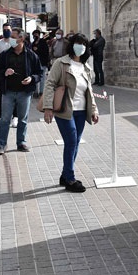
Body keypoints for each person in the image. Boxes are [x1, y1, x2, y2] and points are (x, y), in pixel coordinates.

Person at [43, 33, 99, 193]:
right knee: (72, 142)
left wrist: (94, 110)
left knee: (75, 143)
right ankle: (70, 178)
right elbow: (50, 84)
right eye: (77, 43)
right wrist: (48, 107)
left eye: (84, 44)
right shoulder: (61, 63)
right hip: (65, 110)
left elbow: (89, 91)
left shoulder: (85, 67)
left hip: (81, 111)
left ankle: (65, 175)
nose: (80, 47)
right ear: (72, 45)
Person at [0, 28, 42, 155]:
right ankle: (1, 144)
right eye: (10, 37)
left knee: (23, 119)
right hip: (8, 92)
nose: (11, 39)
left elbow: (39, 73)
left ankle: (21, 142)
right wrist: (5, 72)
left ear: (22, 38)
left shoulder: (31, 55)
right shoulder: (5, 55)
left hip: (25, 93)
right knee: (5, 119)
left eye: (14, 37)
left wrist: (32, 78)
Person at [31, 29, 50, 97]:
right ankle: (36, 92)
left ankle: (42, 92)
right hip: (35, 63)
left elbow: (46, 52)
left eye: (36, 35)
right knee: (35, 77)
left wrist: (38, 49)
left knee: (42, 78)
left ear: (39, 35)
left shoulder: (43, 42)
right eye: (34, 35)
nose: (35, 36)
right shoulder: (33, 43)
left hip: (42, 62)